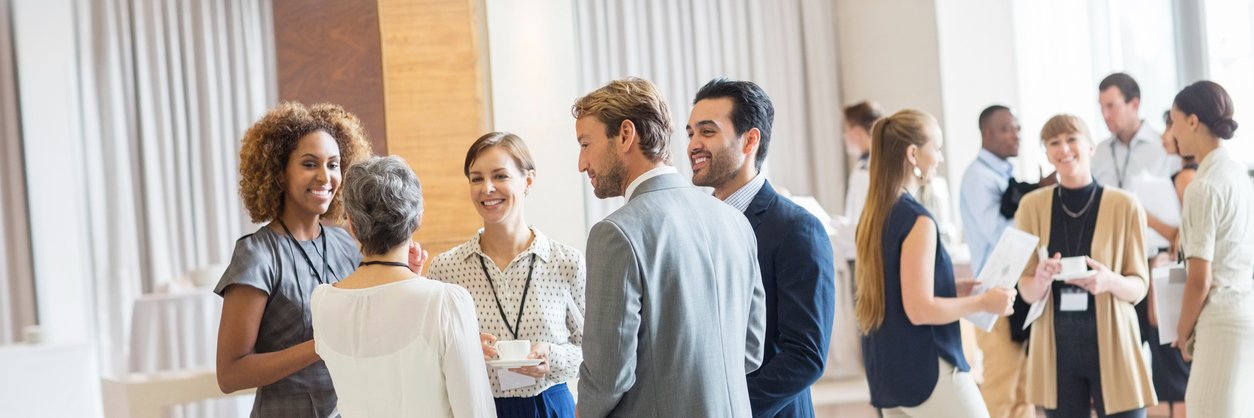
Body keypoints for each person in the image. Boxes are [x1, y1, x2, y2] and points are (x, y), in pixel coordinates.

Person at [572, 77, 766, 418]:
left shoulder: (616, 233)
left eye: (586, 144)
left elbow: (607, 378)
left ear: (626, 135)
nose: (581, 163)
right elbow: (750, 351)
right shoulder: (735, 221)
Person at [686, 78, 835, 418]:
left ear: (750, 139)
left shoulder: (797, 229)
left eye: (707, 132)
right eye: (690, 133)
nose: (693, 144)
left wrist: (725, 408)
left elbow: (805, 356)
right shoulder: (694, 224)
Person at [214, 102, 373, 417]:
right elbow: (230, 375)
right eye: (310, 164)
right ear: (279, 171)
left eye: (333, 164)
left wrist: (402, 273)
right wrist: (318, 346)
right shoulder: (258, 255)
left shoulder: (347, 244)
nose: (325, 177)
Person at [856, 109, 1013, 417]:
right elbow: (920, 310)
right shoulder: (917, 220)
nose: (940, 158)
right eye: (936, 148)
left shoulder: (875, 215)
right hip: (926, 370)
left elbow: (897, 287)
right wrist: (984, 302)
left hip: (887, 370)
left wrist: (949, 287)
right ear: (913, 154)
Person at [311, 156, 496, 417]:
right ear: (418, 218)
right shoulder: (446, 302)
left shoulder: (322, 301)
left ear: (351, 225)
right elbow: (476, 412)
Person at [427, 132, 586, 418]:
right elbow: (430, 354)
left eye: (500, 176)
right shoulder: (446, 269)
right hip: (479, 406)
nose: (487, 188)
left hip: (550, 404)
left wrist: (553, 357)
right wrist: (465, 349)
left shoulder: (566, 262)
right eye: (476, 179)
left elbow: (593, 352)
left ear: (528, 181)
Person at [1016, 114, 1156, 418]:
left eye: (1071, 139)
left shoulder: (1125, 205)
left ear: (1091, 147)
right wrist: (1040, 280)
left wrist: (1109, 282)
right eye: (1054, 142)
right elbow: (1025, 291)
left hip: (1115, 342)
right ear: (1047, 152)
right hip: (1057, 348)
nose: (1064, 149)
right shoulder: (1031, 206)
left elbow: (1139, 287)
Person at [1170, 80, 1254, 417]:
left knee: (1204, 409)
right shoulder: (1239, 176)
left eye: (1174, 122)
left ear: (1192, 121)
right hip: (1245, 310)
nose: (1173, 133)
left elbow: (1200, 279)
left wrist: (1182, 329)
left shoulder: (1202, 187)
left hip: (1219, 319)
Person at [958, 105, 1033, 418]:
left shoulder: (1005, 174)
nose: (1016, 135)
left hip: (1016, 290)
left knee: (1023, 391)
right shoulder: (978, 177)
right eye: (1007, 129)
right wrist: (1035, 209)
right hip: (993, 291)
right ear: (986, 134)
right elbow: (998, 233)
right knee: (1001, 389)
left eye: (1017, 128)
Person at [1140, 110, 1195, 418]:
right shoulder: (1181, 174)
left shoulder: (1187, 177)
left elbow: (1186, 237)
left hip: (1178, 274)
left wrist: (1146, 217)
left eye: (1168, 128)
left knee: (1175, 360)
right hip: (1165, 270)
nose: (1163, 137)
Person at [1092, 72, 1179, 189]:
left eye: (1111, 106)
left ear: (1134, 105)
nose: (1105, 115)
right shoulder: (1098, 153)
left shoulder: (1166, 149)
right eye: (1101, 107)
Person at [839, 101, 883, 268]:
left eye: (845, 130)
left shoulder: (866, 172)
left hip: (868, 261)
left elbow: (865, 231)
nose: (844, 137)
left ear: (857, 131)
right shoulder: (869, 165)